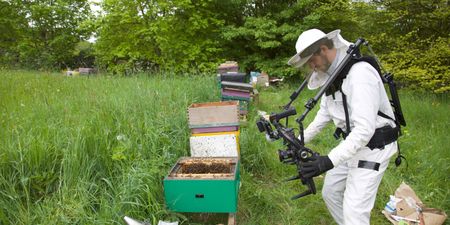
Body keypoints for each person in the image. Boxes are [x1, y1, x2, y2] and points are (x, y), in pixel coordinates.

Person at [287, 28, 398, 225]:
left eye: (312, 60)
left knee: (354, 211)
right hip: (353, 144)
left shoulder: (359, 75)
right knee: (330, 192)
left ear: (323, 49)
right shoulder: (333, 75)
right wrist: (299, 139)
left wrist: (327, 161)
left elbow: (364, 129)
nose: (311, 67)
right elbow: (324, 114)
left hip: (374, 147)